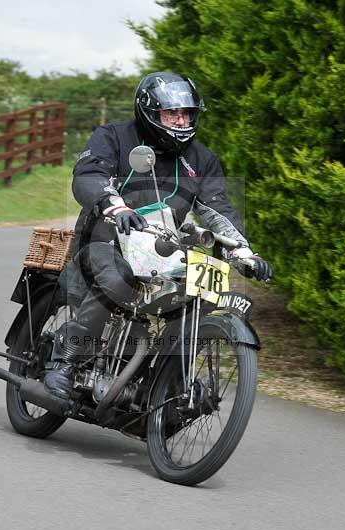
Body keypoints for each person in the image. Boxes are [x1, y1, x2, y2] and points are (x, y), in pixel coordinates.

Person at [43, 71, 273, 400]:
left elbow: (217, 208)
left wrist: (244, 253)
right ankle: (65, 361)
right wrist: (115, 207)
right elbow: (89, 175)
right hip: (104, 239)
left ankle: (163, 386)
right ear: (150, 113)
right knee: (120, 277)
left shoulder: (202, 159)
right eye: (171, 113)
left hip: (160, 252)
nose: (180, 121)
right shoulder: (113, 137)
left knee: (204, 296)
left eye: (186, 114)